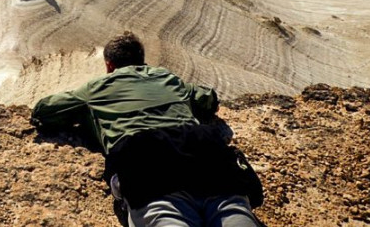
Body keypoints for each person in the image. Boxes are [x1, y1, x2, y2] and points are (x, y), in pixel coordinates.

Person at [31, 31, 263, 227]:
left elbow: (45, 111)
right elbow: (208, 99)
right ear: (142, 61)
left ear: (109, 65)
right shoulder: (168, 78)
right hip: (206, 156)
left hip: (147, 165)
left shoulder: (96, 88)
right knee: (236, 215)